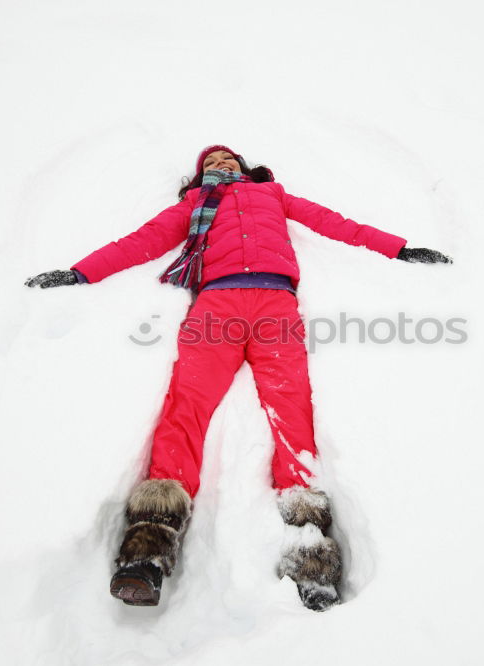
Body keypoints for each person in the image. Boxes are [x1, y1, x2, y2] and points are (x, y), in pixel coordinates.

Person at [25, 145, 452, 611]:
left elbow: (334, 222)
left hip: (276, 307)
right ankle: (148, 546)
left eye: (228, 160)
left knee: (291, 417)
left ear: (244, 168)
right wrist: (80, 273)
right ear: (199, 176)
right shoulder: (192, 208)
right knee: (186, 406)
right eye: (211, 163)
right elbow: (141, 240)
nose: (221, 165)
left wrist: (399, 248)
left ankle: (309, 554)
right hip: (216, 308)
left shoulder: (273, 195)